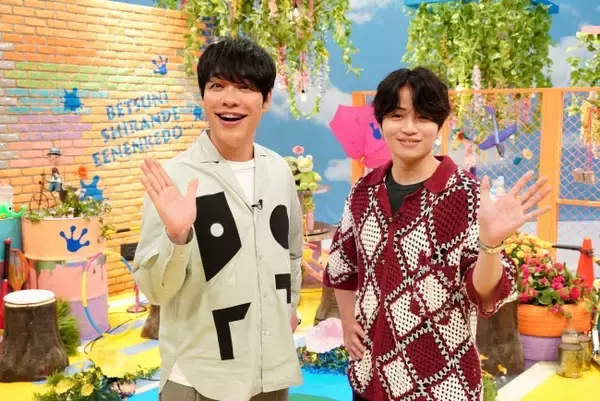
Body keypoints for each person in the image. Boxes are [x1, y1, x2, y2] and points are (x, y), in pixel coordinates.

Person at [323, 67, 551, 401]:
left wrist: (490, 245)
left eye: (423, 117)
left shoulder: (465, 195)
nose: (409, 128)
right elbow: (343, 265)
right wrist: (347, 322)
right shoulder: (364, 191)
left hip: (441, 384)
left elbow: (485, 291)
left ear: (441, 124)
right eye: (397, 115)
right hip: (369, 377)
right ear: (381, 121)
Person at [132, 37, 303, 401]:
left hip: (270, 369)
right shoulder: (175, 179)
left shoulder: (279, 171)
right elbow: (154, 290)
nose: (229, 99)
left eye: (245, 88)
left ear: (266, 100)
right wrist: (177, 238)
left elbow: (290, 253)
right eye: (217, 86)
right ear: (203, 97)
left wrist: (288, 308)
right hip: (199, 374)